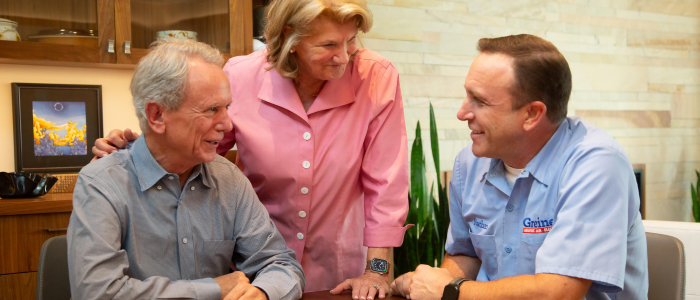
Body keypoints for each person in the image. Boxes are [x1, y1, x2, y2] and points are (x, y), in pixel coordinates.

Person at [91, 0, 410, 297]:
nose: (343, 55)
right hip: (255, 264)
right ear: (291, 38)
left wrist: (377, 272)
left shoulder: (375, 77)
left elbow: (386, 185)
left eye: (351, 40)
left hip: (338, 273)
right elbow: (199, 154)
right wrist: (137, 150)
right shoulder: (241, 75)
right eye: (328, 44)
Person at [391, 34, 648, 300]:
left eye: (480, 101)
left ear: (532, 114)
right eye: (467, 96)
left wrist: (451, 291)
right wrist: (434, 283)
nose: (462, 113)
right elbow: (466, 253)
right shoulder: (468, 164)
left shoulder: (597, 165)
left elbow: (557, 294)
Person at [68, 39, 305, 300]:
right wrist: (215, 288)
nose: (227, 125)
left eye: (226, 108)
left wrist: (262, 292)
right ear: (157, 115)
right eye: (212, 109)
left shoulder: (229, 179)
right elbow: (97, 293)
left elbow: (282, 265)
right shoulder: (101, 183)